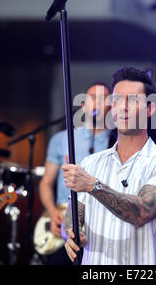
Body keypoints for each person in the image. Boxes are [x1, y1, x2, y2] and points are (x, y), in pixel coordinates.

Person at [61, 67, 156, 265]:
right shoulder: (90, 163)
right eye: (117, 100)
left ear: (151, 108)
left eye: (133, 100)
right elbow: (72, 216)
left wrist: (93, 185)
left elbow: (142, 212)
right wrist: (71, 233)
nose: (123, 107)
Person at [38, 82, 116, 265]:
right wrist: (51, 212)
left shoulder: (116, 142)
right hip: (63, 222)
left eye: (103, 98)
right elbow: (46, 182)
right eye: (92, 98)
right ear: (83, 106)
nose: (97, 102)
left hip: (99, 225)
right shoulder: (62, 138)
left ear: (111, 106)